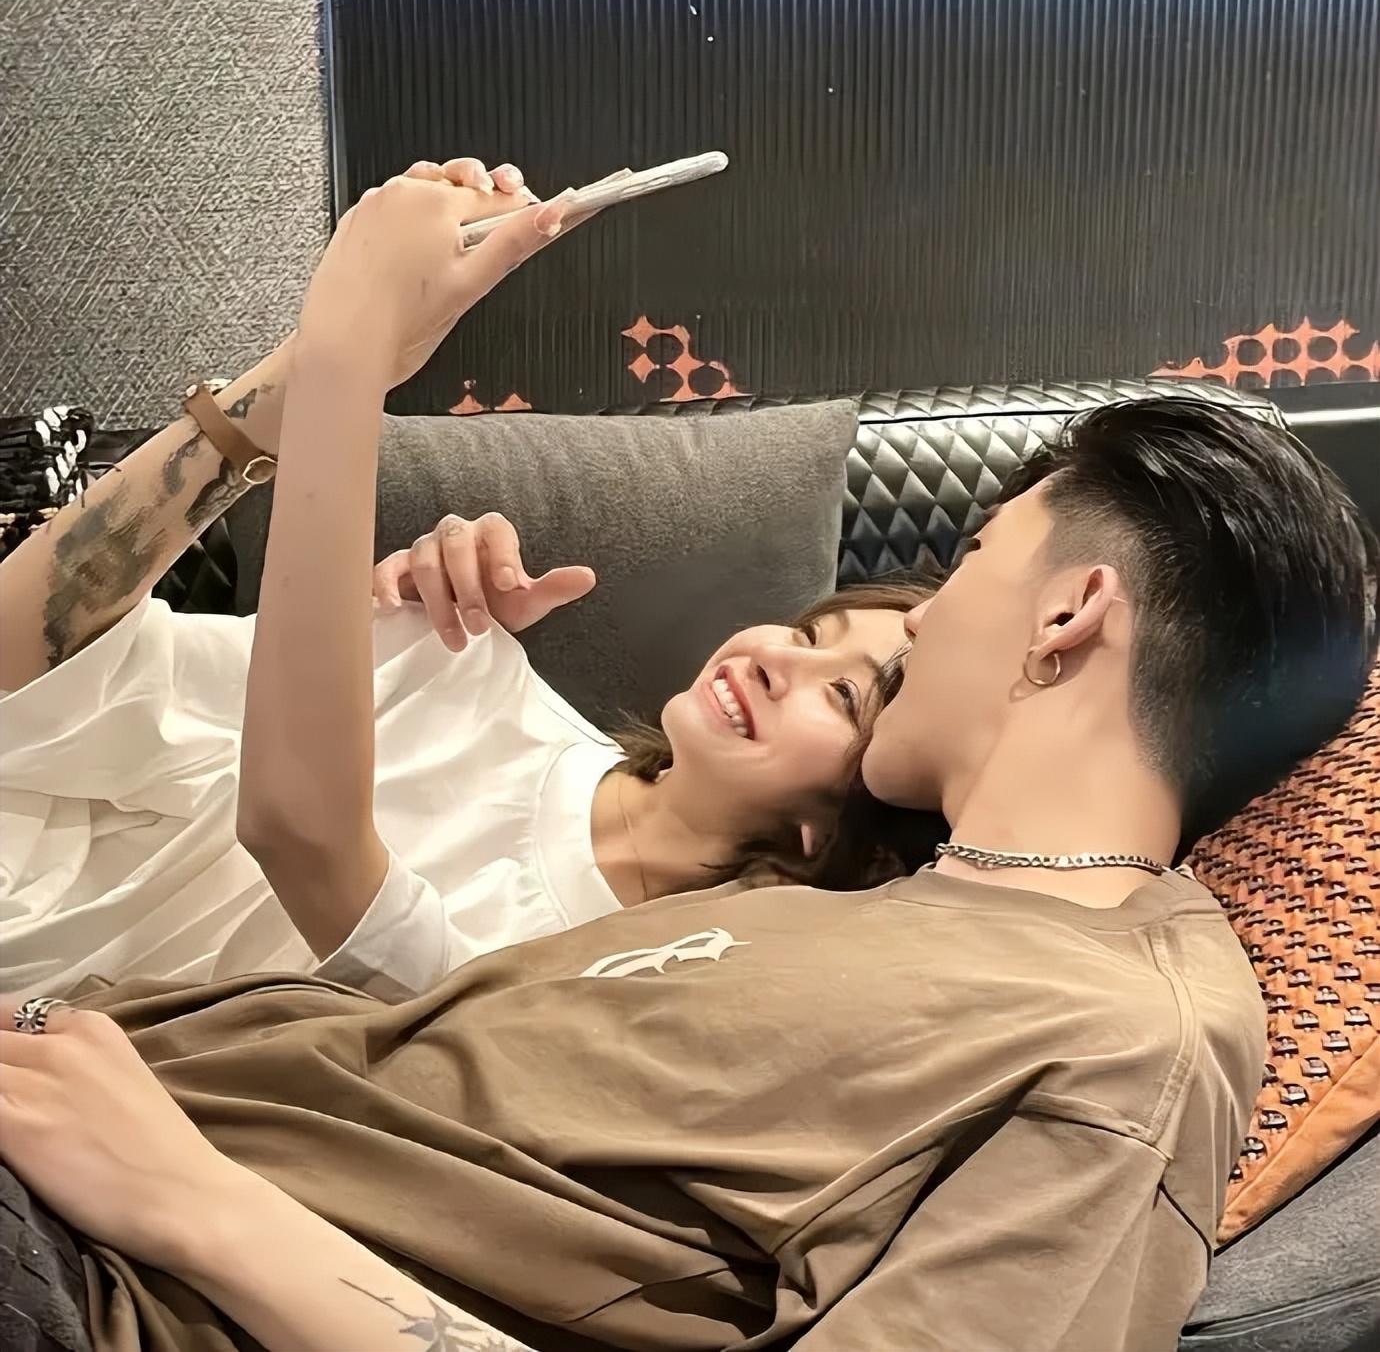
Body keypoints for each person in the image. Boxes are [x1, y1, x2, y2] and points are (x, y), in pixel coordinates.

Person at [1, 159, 1376, 1352]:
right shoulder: (865, 918)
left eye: (968, 558)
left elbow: (309, 843)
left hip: (104, 1274)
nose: (918, 617)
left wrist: (192, 1204)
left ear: (1069, 615)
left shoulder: (1122, 1041)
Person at [0, 158, 932, 1001]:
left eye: (844, 695)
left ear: (838, 841)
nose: (778, 658)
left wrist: (349, 341)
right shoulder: (463, 662)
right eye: (809, 633)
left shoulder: (598, 980)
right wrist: (312, 370)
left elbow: (302, 838)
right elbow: (26, 658)